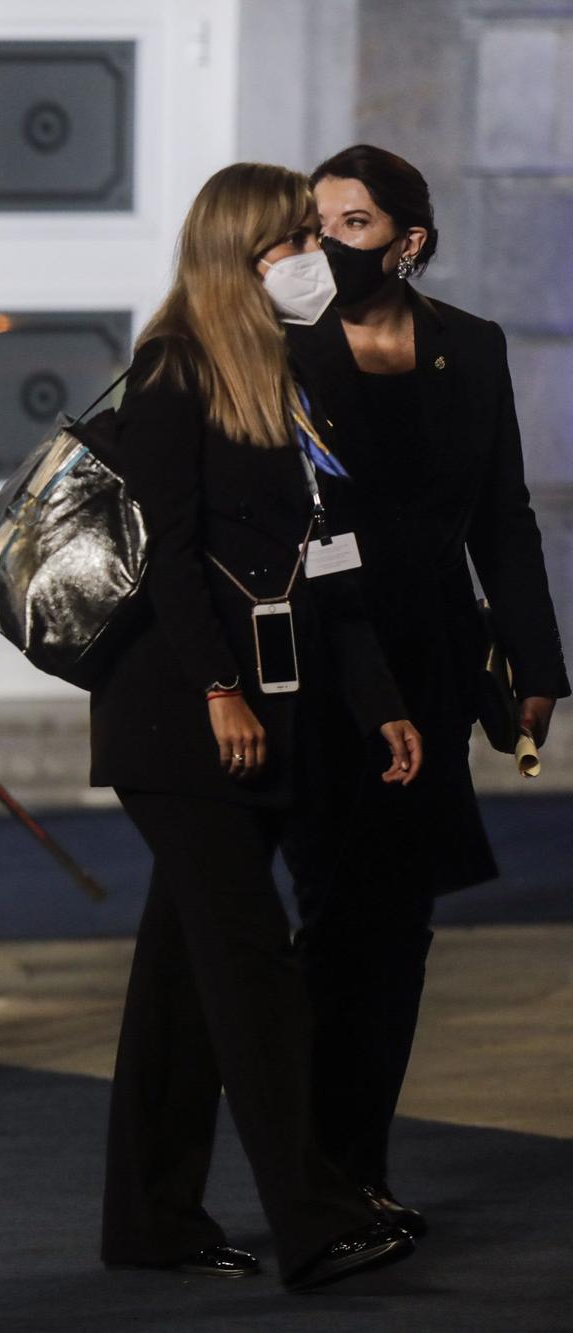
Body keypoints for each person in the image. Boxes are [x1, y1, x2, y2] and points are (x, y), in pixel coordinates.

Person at [89, 162, 428, 1292]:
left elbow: (325, 558)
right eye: (291, 237)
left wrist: (376, 699)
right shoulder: (171, 369)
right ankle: (316, 1218)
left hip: (266, 706)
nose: (310, 256)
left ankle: (149, 1217)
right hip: (176, 719)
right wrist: (214, 690)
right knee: (252, 969)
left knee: (185, 976)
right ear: (243, 250)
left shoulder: (286, 373)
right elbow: (167, 562)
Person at [281, 144, 569, 1235]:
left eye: (350, 226)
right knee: (327, 911)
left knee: (395, 926)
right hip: (313, 659)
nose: (326, 245)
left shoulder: (469, 346)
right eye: (316, 224)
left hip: (434, 660)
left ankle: (358, 1161)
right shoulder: (280, 344)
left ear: (406, 239)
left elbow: (502, 515)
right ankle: (302, 1161)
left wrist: (535, 666)